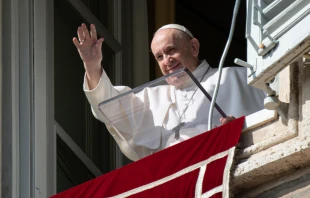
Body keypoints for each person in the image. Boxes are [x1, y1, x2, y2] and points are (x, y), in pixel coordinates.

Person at [73, 23, 265, 161]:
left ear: (194, 47)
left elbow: (279, 111)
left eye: (171, 50)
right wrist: (92, 65)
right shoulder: (153, 97)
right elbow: (109, 107)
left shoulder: (236, 78)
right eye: (159, 57)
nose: (167, 60)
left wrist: (243, 128)